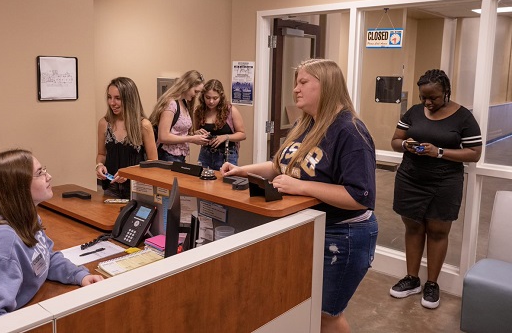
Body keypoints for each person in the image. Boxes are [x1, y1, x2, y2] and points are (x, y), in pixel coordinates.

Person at [221, 59, 377, 333]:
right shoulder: (306, 125)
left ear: (326, 85)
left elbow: (360, 195)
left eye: (303, 82)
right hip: (310, 229)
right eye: (296, 83)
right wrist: (243, 170)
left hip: (345, 234)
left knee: (326, 315)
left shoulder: (349, 130)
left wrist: (302, 187)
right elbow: (279, 167)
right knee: (307, 306)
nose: (295, 89)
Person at [0, 150, 103, 326]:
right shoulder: (3, 243)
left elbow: (45, 257)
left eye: (44, 170)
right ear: (17, 187)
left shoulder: (26, 217)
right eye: (40, 173)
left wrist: (78, 275)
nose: (49, 176)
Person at [389, 69, 482, 309]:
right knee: (413, 226)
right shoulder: (414, 112)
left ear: (446, 93)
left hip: (444, 181)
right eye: (423, 98)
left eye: (434, 98)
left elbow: (474, 154)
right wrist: (406, 145)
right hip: (411, 177)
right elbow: (395, 140)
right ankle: (412, 279)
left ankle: (431, 283)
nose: (428, 103)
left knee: (439, 230)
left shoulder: (463, 117)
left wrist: (439, 152)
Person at [95, 77, 158, 198]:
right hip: (110, 189)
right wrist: (99, 165)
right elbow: (101, 154)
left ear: (129, 100)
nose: (112, 103)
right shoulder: (104, 123)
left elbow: (153, 162)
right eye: (109, 97)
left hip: (137, 190)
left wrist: (130, 173)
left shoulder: (143, 125)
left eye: (118, 98)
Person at [149, 70, 209, 162]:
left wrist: (195, 134)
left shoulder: (184, 103)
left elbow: (177, 132)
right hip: (167, 155)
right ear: (187, 86)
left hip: (179, 156)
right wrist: (192, 139)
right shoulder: (171, 103)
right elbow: (163, 136)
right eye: (195, 91)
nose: (196, 95)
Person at [193, 79, 246, 170]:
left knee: (225, 182)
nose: (211, 102)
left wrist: (225, 137)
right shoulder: (199, 111)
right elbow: (194, 131)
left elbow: (242, 134)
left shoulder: (230, 110)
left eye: (215, 98)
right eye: (208, 97)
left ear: (221, 97)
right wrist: (197, 133)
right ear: (203, 96)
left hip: (227, 154)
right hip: (206, 153)